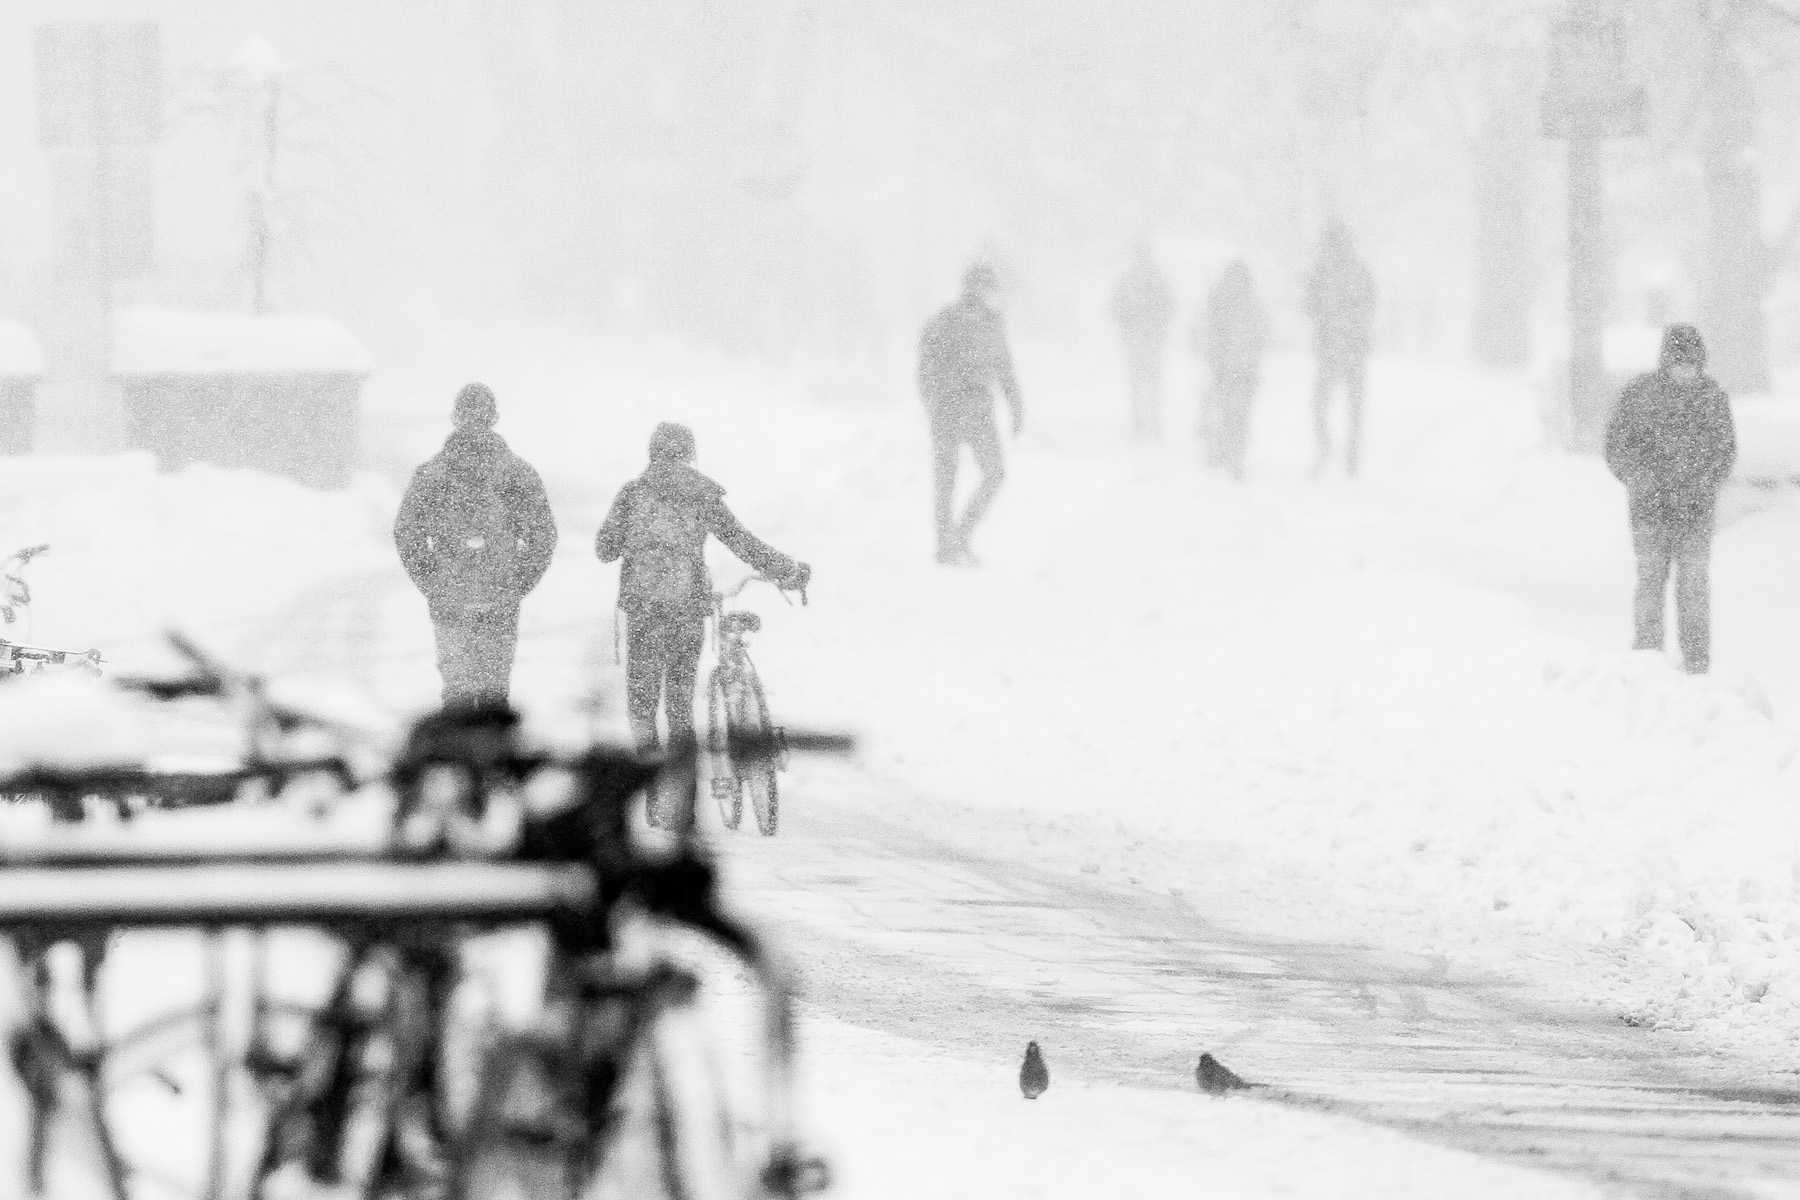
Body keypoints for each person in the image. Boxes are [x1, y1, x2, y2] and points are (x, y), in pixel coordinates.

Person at [595, 423, 811, 815]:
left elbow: (604, 549)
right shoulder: (701, 495)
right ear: (690, 454)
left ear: (652, 453)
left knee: (643, 706)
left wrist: (637, 543)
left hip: (645, 613)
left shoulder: (632, 493)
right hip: (685, 612)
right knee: (678, 706)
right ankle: (680, 794)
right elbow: (742, 540)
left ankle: (653, 794)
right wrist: (786, 569)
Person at [394, 382, 558, 707]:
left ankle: (457, 753)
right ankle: (493, 753)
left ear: (454, 417)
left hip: (451, 597)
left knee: (456, 689)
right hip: (499, 597)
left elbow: (407, 532)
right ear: (495, 417)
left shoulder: (431, 474)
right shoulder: (518, 473)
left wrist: (433, 579)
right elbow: (543, 536)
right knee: (495, 691)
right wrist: (517, 580)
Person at [1603, 323, 1736, 675]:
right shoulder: (1639, 396)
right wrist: (1640, 480)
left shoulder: (1712, 398)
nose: (1686, 371)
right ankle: (1648, 657)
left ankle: (1696, 660)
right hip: (1650, 512)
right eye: (1680, 363)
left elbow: (1724, 452)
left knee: (1693, 585)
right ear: (1666, 361)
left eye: (1692, 364)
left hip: (1695, 513)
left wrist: (1701, 482)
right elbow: (1617, 448)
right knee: (1650, 581)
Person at [917, 262, 1025, 566]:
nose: (988, 293)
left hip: (975, 410)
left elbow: (1004, 368)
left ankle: (957, 539)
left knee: (989, 474)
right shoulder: (946, 321)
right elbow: (927, 368)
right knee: (948, 480)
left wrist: (1016, 405)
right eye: (985, 287)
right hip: (954, 410)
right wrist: (934, 402)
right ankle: (948, 545)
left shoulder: (990, 323)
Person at [1305, 221, 1377, 476]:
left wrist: (1329, 319)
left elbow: (1308, 306)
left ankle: (1333, 450)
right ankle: (1349, 456)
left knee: (1324, 405)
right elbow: (1370, 305)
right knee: (1349, 409)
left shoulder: (1323, 272)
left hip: (1334, 349)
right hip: (1349, 350)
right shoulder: (1356, 271)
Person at [1195, 259, 1269, 480]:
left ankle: (1235, 455)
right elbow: (1207, 332)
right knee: (1229, 413)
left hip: (1243, 370)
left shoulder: (1244, 306)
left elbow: (1262, 334)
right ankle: (1227, 451)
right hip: (1227, 369)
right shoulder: (1221, 304)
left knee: (1239, 414)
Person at [1110, 244, 1177, 440]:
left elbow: (1115, 307)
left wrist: (1128, 326)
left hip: (1139, 340)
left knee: (1140, 384)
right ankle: (1150, 423)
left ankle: (1141, 423)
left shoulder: (1130, 281)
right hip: (1148, 341)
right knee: (1150, 383)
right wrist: (1158, 326)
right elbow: (1170, 306)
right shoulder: (1156, 280)